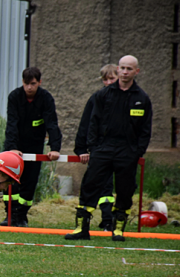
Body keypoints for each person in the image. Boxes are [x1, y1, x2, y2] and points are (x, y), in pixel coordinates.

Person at [65, 55, 152, 242]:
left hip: (127, 153)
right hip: (103, 150)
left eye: (129, 68)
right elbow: (91, 123)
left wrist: (137, 152)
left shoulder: (142, 98)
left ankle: (118, 229)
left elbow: (145, 130)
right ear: (118, 69)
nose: (125, 72)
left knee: (124, 189)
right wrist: (93, 148)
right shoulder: (102, 95)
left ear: (136, 71)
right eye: (122, 68)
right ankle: (81, 228)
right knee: (90, 185)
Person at [2, 67, 62, 227]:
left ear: (39, 82)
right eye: (26, 83)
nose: (29, 87)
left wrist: (55, 148)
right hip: (15, 146)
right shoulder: (14, 96)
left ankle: (21, 216)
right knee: (10, 180)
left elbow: (52, 123)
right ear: (22, 82)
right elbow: (11, 124)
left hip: (35, 147)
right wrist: (12, 148)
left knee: (29, 183)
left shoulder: (46, 98)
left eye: (33, 84)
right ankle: (9, 215)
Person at [72, 64, 118, 230]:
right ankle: (104, 220)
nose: (108, 83)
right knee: (100, 185)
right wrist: (82, 149)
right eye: (105, 79)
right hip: (100, 149)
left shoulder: (128, 99)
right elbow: (86, 124)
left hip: (120, 151)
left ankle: (114, 220)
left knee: (116, 187)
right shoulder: (97, 98)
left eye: (111, 78)